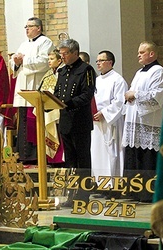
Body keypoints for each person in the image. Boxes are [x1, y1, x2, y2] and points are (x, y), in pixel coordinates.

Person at [54, 39, 96, 207]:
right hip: (65, 121)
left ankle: (84, 196)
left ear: (74, 53)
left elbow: (87, 94)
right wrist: (51, 101)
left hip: (80, 121)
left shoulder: (86, 70)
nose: (62, 57)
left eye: (65, 53)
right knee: (70, 161)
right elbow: (57, 91)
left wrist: (69, 104)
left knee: (82, 159)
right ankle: (71, 195)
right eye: (61, 54)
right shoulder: (62, 71)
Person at [10, 17, 55, 163]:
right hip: (23, 87)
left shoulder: (46, 42)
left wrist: (24, 61)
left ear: (39, 28)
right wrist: (15, 62)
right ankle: (23, 155)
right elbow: (14, 64)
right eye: (26, 27)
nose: (27, 29)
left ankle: (36, 155)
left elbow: (44, 62)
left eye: (30, 26)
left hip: (36, 87)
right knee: (23, 121)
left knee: (34, 121)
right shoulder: (23, 44)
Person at [122, 41, 163, 171]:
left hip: (147, 125)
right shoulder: (139, 72)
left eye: (142, 52)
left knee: (146, 162)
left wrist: (135, 94)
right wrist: (129, 96)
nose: (138, 55)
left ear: (152, 53)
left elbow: (155, 97)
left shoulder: (158, 71)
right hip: (134, 123)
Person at [91, 51, 128, 195]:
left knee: (111, 153)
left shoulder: (118, 80)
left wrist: (104, 113)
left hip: (110, 123)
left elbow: (119, 102)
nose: (98, 63)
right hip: (96, 122)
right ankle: (99, 183)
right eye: (97, 61)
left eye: (101, 60)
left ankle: (113, 186)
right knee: (96, 153)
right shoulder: (96, 80)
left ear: (110, 62)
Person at [39, 49, 65, 165]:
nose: (49, 61)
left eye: (52, 59)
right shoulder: (47, 74)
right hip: (47, 109)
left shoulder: (64, 73)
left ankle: (61, 160)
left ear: (59, 60)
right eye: (48, 59)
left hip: (60, 110)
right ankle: (52, 159)